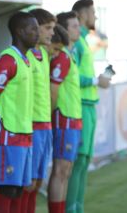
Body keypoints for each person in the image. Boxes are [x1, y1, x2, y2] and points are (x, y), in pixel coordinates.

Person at [0, 11, 39, 213]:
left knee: (18, 190)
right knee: (7, 189)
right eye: (32, 29)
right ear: (19, 31)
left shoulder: (25, 60)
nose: (36, 33)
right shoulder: (8, 60)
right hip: (8, 134)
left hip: (24, 134)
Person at [65, 0, 110, 213]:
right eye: (93, 12)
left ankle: (78, 208)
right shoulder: (75, 43)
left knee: (84, 162)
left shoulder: (83, 42)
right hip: (79, 107)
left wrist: (96, 80)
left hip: (89, 106)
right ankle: (71, 209)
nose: (96, 16)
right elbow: (70, 77)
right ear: (83, 15)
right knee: (77, 163)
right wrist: (94, 81)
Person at [20, 8, 55, 213]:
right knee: (27, 184)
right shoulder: (23, 55)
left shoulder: (43, 53)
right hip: (30, 126)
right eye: (47, 28)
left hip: (45, 125)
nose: (52, 32)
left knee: (38, 182)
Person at [47, 24, 82, 213]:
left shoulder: (68, 56)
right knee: (61, 170)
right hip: (64, 119)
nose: (78, 30)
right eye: (74, 26)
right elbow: (53, 91)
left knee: (66, 171)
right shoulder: (61, 57)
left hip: (73, 119)